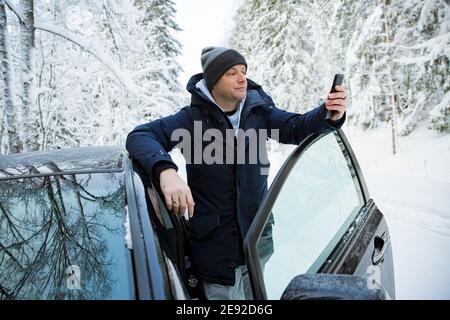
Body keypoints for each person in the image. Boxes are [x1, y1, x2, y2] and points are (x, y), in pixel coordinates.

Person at [126, 46, 347, 300]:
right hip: (216, 251)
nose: (242, 78)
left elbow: (296, 127)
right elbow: (141, 136)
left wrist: (328, 114)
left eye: (243, 71)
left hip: (255, 241)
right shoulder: (191, 120)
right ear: (213, 80)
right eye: (232, 72)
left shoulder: (258, 113)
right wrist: (165, 171)